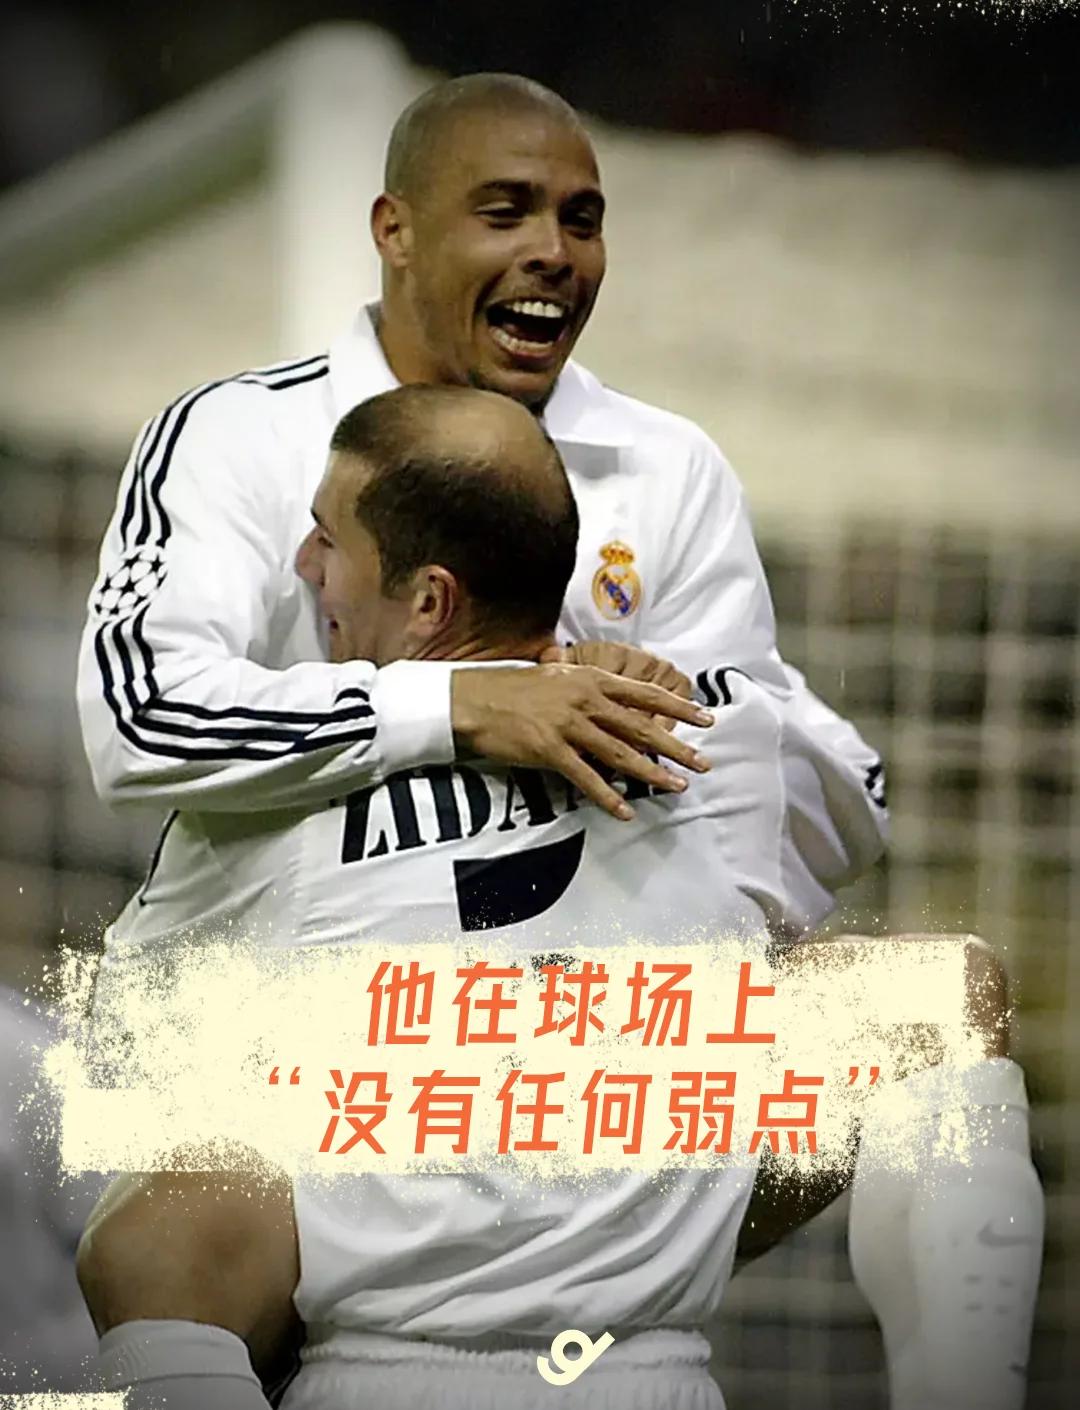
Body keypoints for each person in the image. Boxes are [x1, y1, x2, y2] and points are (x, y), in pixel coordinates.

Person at [78, 389, 1043, 1410]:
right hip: (655, 1368)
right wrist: (680, 699)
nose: (306, 564)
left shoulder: (273, 813)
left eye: (329, 539)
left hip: (373, 1371)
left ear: (429, 603)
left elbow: (131, 1041)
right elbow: (853, 806)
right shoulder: (696, 745)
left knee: (145, 1242)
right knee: (943, 997)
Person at [76, 71, 887, 941]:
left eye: (582, 221)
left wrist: (663, 706)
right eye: (505, 214)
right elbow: (142, 724)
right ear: (396, 230)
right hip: (271, 977)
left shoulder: (666, 468)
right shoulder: (238, 436)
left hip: (571, 991)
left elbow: (805, 798)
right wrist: (463, 705)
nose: (555, 253)